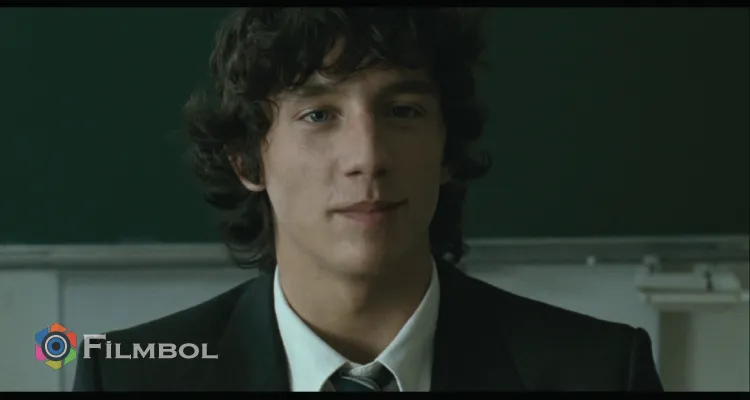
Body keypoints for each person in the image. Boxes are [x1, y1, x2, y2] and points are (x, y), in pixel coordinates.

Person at [72, 7, 663, 392]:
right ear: (248, 160)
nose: (367, 156)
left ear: (447, 148)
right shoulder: (128, 377)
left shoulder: (600, 373)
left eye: (402, 111)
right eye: (318, 114)